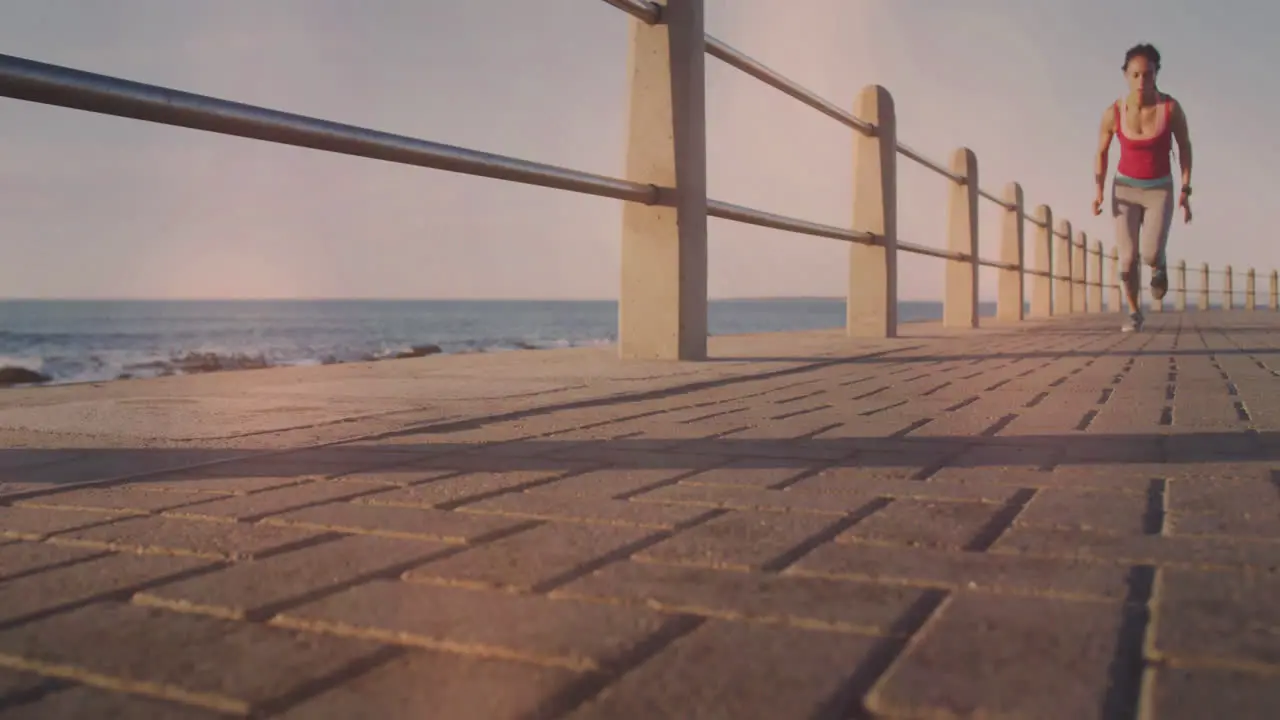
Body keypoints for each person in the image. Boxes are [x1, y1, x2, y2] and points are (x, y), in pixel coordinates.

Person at [1092, 43, 1193, 332]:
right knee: (1127, 258)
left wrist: (1185, 190)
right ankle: (1135, 312)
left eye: (1147, 75)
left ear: (1156, 74)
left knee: (1148, 253)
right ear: (1125, 75)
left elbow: (1185, 147)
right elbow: (1101, 151)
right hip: (1124, 188)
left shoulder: (1171, 108)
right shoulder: (1113, 112)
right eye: (1135, 75)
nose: (1141, 82)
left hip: (1160, 189)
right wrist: (1099, 191)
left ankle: (1158, 264)